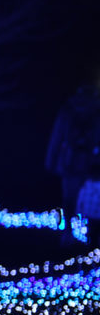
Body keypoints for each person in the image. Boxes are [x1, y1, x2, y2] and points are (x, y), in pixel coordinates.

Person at [46, 84, 100, 243]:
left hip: (70, 161)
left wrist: (51, 161)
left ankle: (68, 233)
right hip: (93, 161)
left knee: (69, 198)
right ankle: (92, 235)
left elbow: (57, 136)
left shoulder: (68, 110)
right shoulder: (97, 110)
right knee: (93, 198)